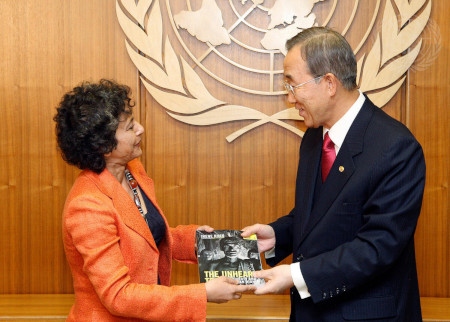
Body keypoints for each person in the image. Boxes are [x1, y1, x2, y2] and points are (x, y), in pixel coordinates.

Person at [241, 27, 426, 321]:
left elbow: (377, 247)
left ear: (329, 83)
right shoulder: (315, 138)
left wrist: (294, 274)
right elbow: (322, 215)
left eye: (293, 86)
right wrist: (277, 235)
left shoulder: (395, 148)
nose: (290, 99)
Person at [54, 79, 255, 321]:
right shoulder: (88, 206)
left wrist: (199, 242)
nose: (140, 128)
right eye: (129, 128)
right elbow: (119, 296)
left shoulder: (132, 170)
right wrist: (202, 294)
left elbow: (147, 237)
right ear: (104, 146)